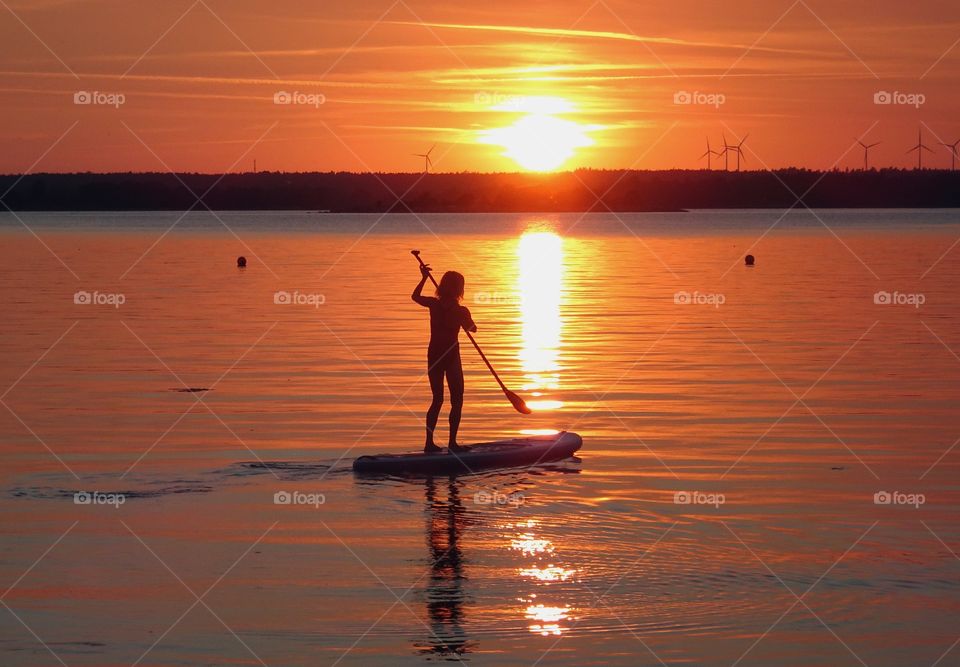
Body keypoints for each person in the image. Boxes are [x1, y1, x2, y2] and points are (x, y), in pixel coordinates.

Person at [412, 264, 477, 454]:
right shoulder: (462, 311)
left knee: (437, 399)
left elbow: (415, 297)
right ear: (459, 289)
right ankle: (452, 443)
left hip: (433, 354)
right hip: (450, 356)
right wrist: (468, 323)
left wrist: (423, 278)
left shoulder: (434, 304)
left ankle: (429, 443)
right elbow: (473, 328)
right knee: (457, 399)